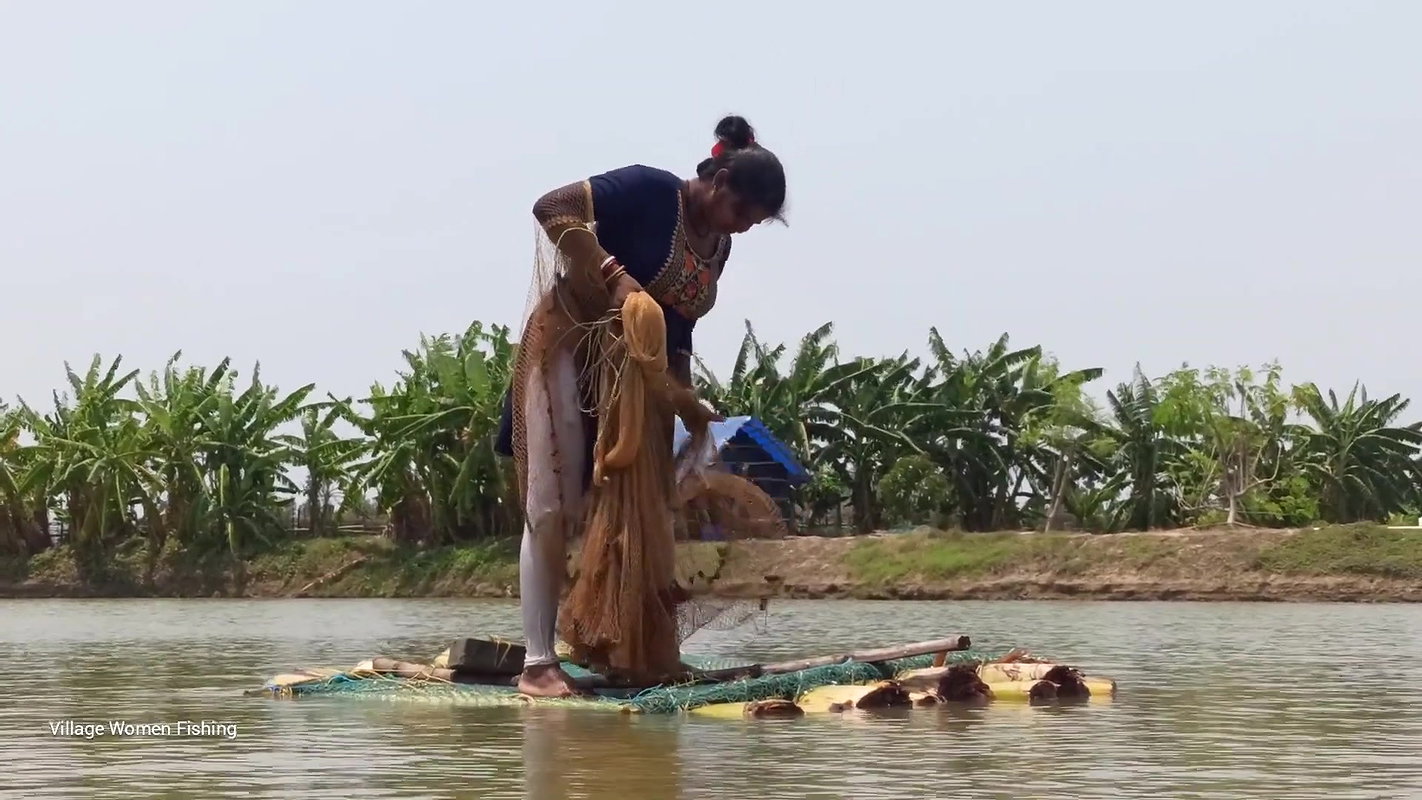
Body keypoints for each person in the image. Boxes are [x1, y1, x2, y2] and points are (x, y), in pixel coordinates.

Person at [494, 114, 788, 697]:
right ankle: (538, 665)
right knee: (550, 504)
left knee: (638, 511)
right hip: (570, 347)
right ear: (719, 181)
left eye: (753, 223)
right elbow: (552, 207)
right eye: (741, 211)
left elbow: (677, 331)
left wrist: (685, 401)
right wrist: (615, 276)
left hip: (634, 380)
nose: (742, 227)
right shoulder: (650, 189)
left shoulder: (719, 247)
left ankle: (631, 653)